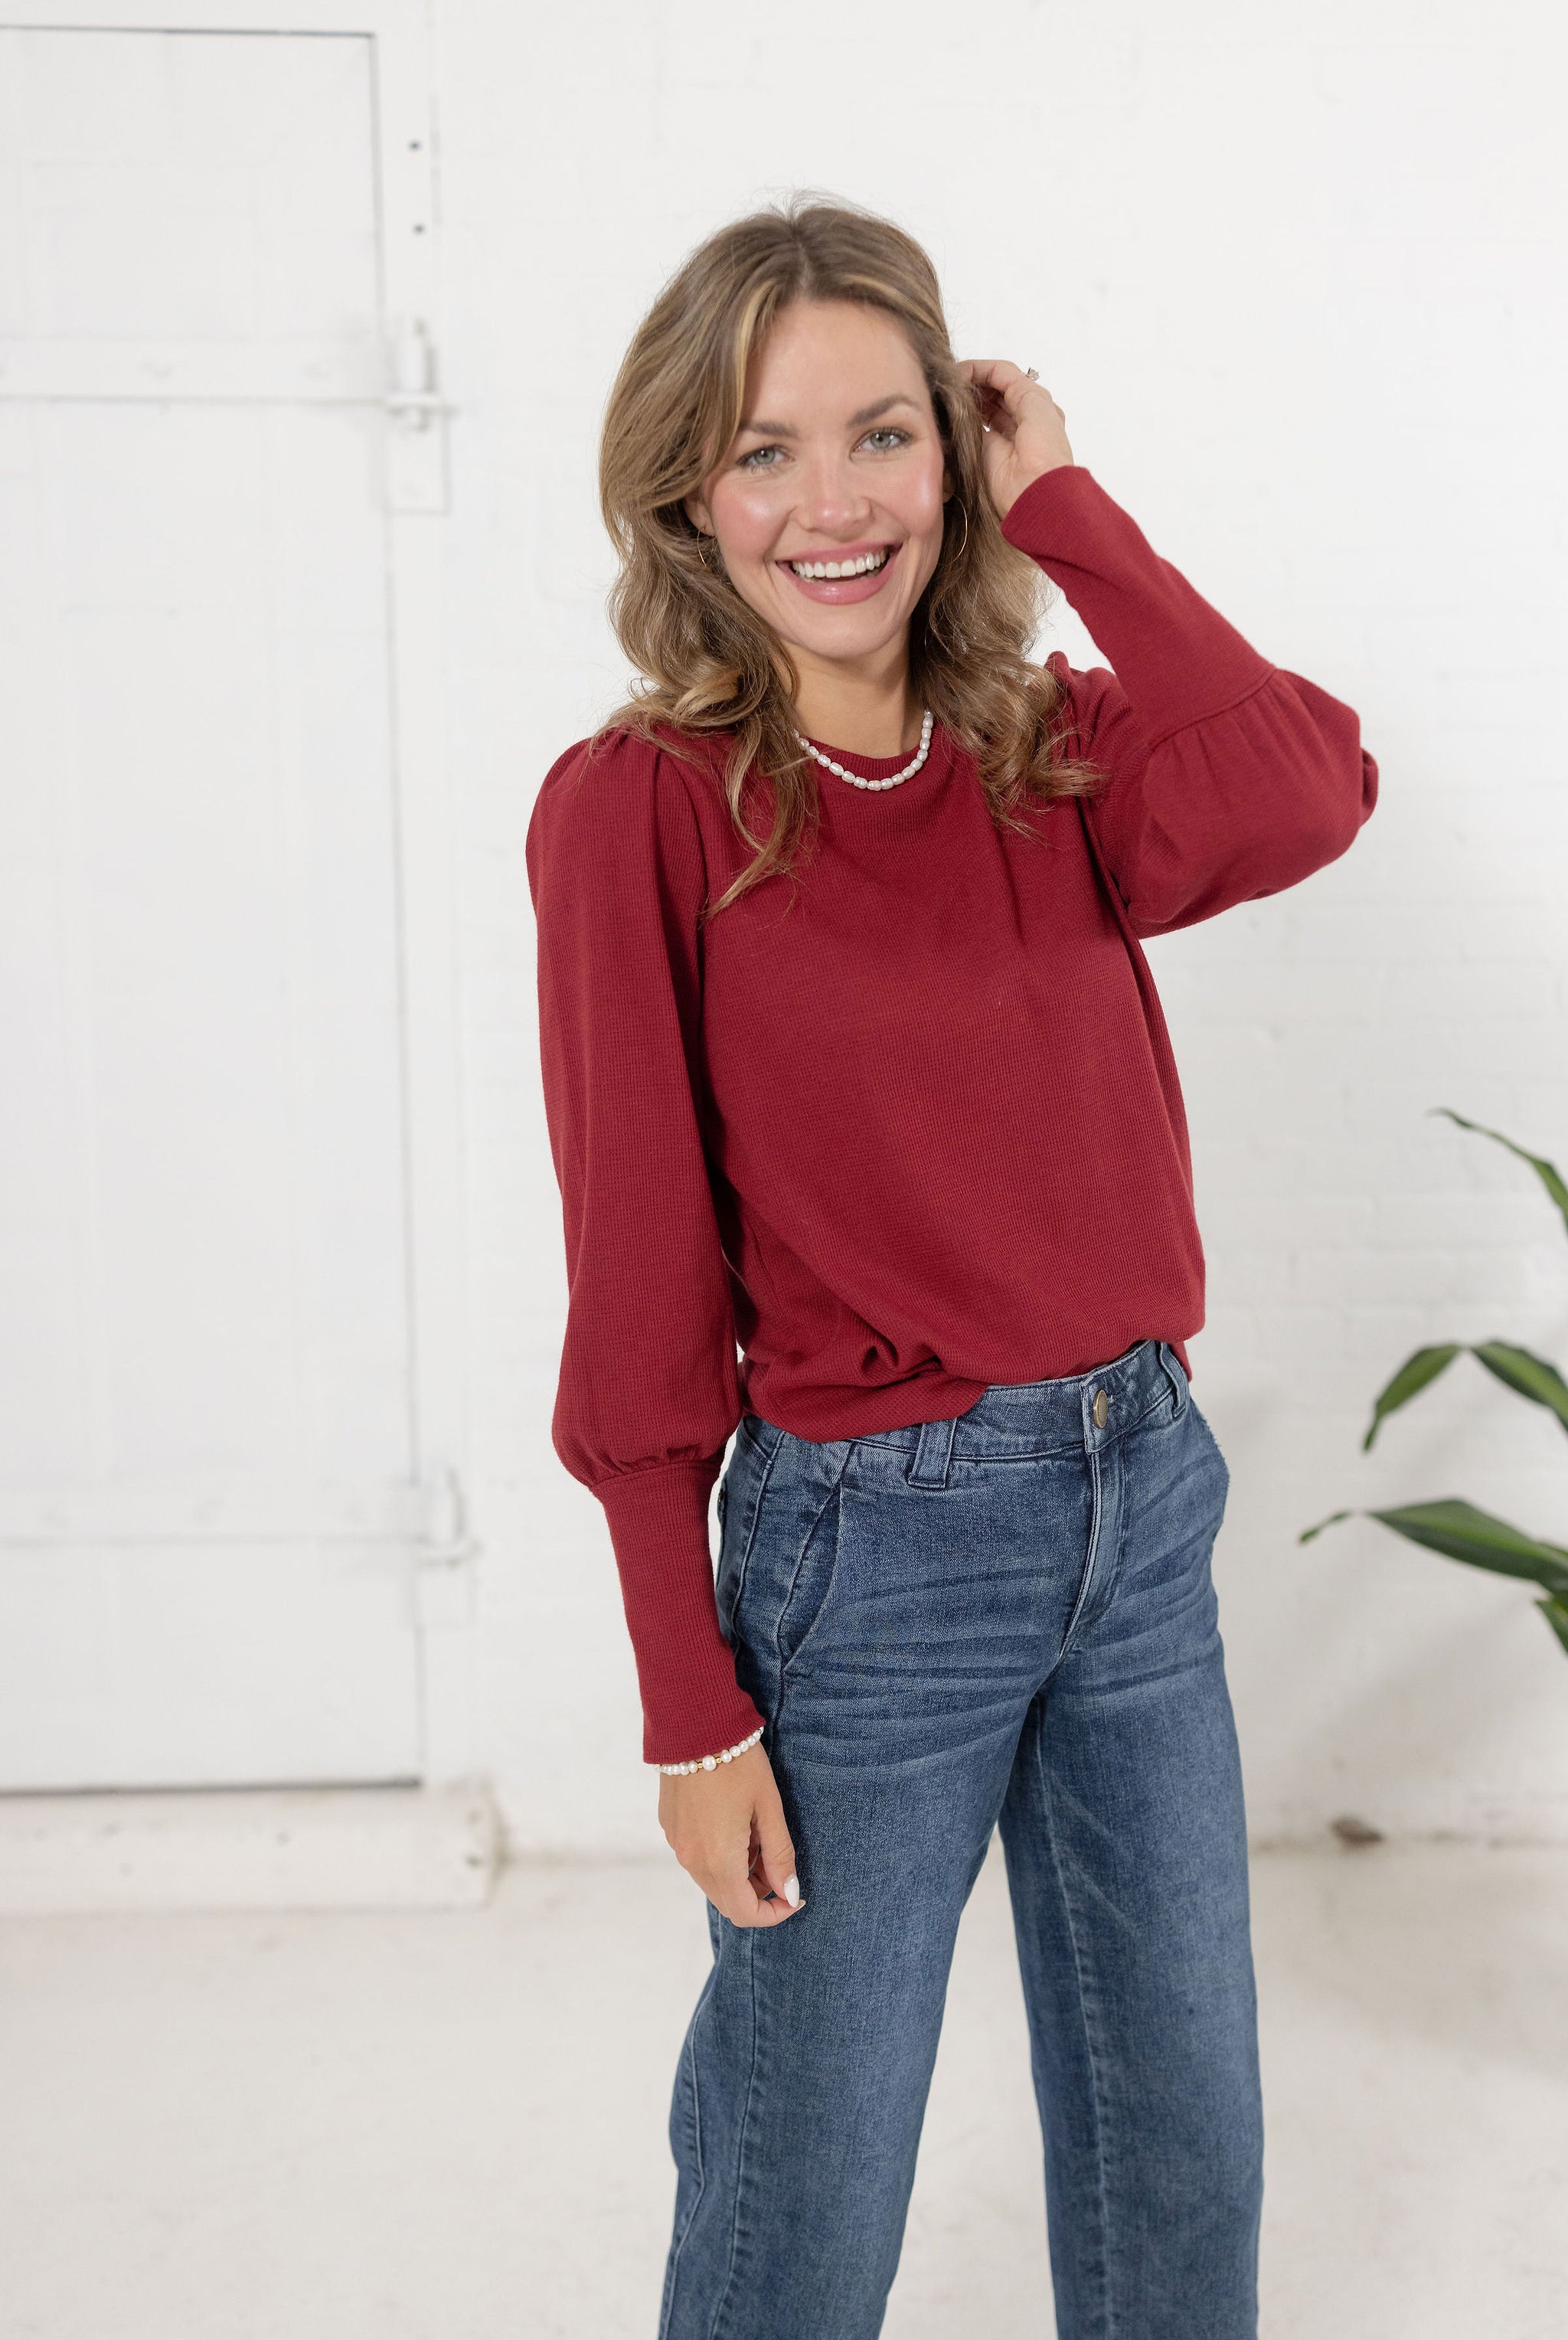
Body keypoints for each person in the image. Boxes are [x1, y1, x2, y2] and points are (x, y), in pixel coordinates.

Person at [524, 194, 1377, 2340]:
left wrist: (1068, 507)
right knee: (807, 2185)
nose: (835, 504)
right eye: (765, 451)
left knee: (1184, 2144)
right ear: (687, 500)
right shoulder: (640, 809)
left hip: (1139, 1502)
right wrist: (688, 1704)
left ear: (959, 456)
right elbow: (635, 1270)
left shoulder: (1051, 752)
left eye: (886, 436)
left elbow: (1309, 786)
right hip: (867, 1564)